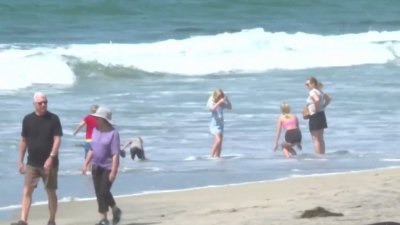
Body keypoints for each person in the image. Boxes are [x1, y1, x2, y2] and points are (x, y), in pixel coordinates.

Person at [12, 92, 63, 225]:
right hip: (32, 163)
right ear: (34, 104)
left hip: (50, 163)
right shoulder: (28, 119)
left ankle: (52, 220)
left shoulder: (53, 118)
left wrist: (51, 157)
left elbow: (57, 139)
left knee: (50, 191)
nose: (43, 105)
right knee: (27, 191)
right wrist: (20, 161)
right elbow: (24, 140)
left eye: (45, 102)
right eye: (40, 103)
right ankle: (23, 220)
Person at [82, 106, 122, 225]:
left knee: (104, 191)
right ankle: (104, 218)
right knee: (99, 193)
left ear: (104, 119)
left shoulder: (113, 133)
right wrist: (85, 163)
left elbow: (115, 154)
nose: (96, 120)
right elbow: (92, 149)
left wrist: (114, 171)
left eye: (98, 118)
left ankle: (114, 210)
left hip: (108, 167)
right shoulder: (95, 130)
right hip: (96, 166)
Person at [304, 76, 332, 155]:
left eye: (307, 84)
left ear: (313, 84)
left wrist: (316, 109)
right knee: (320, 138)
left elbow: (316, 99)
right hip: (321, 114)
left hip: (315, 115)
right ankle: (322, 155)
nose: (306, 86)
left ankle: (318, 156)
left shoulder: (312, 91)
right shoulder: (319, 91)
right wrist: (323, 106)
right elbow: (329, 98)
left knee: (315, 138)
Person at [207, 89, 232, 158]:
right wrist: (219, 102)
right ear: (215, 96)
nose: (220, 98)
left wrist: (227, 100)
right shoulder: (212, 102)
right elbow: (212, 109)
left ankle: (217, 157)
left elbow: (230, 108)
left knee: (220, 143)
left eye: (221, 97)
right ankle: (211, 156)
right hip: (214, 125)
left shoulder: (221, 103)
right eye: (218, 97)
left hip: (221, 124)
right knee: (218, 140)